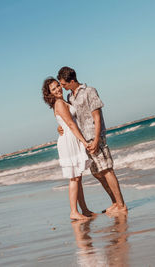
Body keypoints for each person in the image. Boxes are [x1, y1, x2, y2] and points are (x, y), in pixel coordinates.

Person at [57, 66, 127, 214]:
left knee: (107, 170)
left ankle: (121, 205)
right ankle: (114, 202)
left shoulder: (90, 91)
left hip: (95, 137)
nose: (62, 87)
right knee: (97, 173)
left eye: (63, 84)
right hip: (83, 142)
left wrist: (96, 140)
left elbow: (97, 117)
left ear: (72, 80)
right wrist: (61, 127)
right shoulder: (70, 97)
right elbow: (71, 120)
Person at [42, 77, 95, 220]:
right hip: (69, 141)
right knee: (74, 178)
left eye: (57, 86)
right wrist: (84, 141)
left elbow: (65, 123)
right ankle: (74, 211)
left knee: (78, 177)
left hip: (71, 138)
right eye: (53, 89)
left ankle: (84, 210)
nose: (58, 89)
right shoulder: (59, 103)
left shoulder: (63, 101)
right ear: (50, 94)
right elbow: (71, 124)